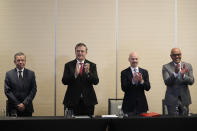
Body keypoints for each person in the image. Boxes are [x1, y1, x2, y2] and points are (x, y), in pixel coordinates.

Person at [62, 43, 99, 116]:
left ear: (86, 52)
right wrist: (75, 75)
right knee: (72, 126)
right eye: (78, 51)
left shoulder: (92, 65)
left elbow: (96, 81)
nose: (80, 53)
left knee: (88, 125)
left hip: (88, 101)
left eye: (82, 51)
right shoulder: (68, 65)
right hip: (72, 100)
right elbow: (64, 81)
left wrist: (88, 73)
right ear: (75, 52)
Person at [162, 48, 194, 116]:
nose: (177, 56)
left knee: (185, 123)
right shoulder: (166, 67)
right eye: (174, 55)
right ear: (171, 56)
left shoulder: (188, 66)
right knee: (173, 123)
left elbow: (191, 81)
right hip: (171, 100)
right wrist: (175, 73)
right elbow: (167, 82)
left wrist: (183, 76)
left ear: (181, 55)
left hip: (185, 99)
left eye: (178, 54)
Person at [4, 52, 37, 117]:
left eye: (22, 60)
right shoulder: (9, 74)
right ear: (14, 62)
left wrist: (24, 104)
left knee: (28, 127)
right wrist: (17, 104)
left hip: (27, 107)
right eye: (18, 60)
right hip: (13, 108)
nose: (20, 62)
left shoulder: (31, 74)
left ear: (25, 61)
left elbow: (33, 90)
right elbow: (7, 91)